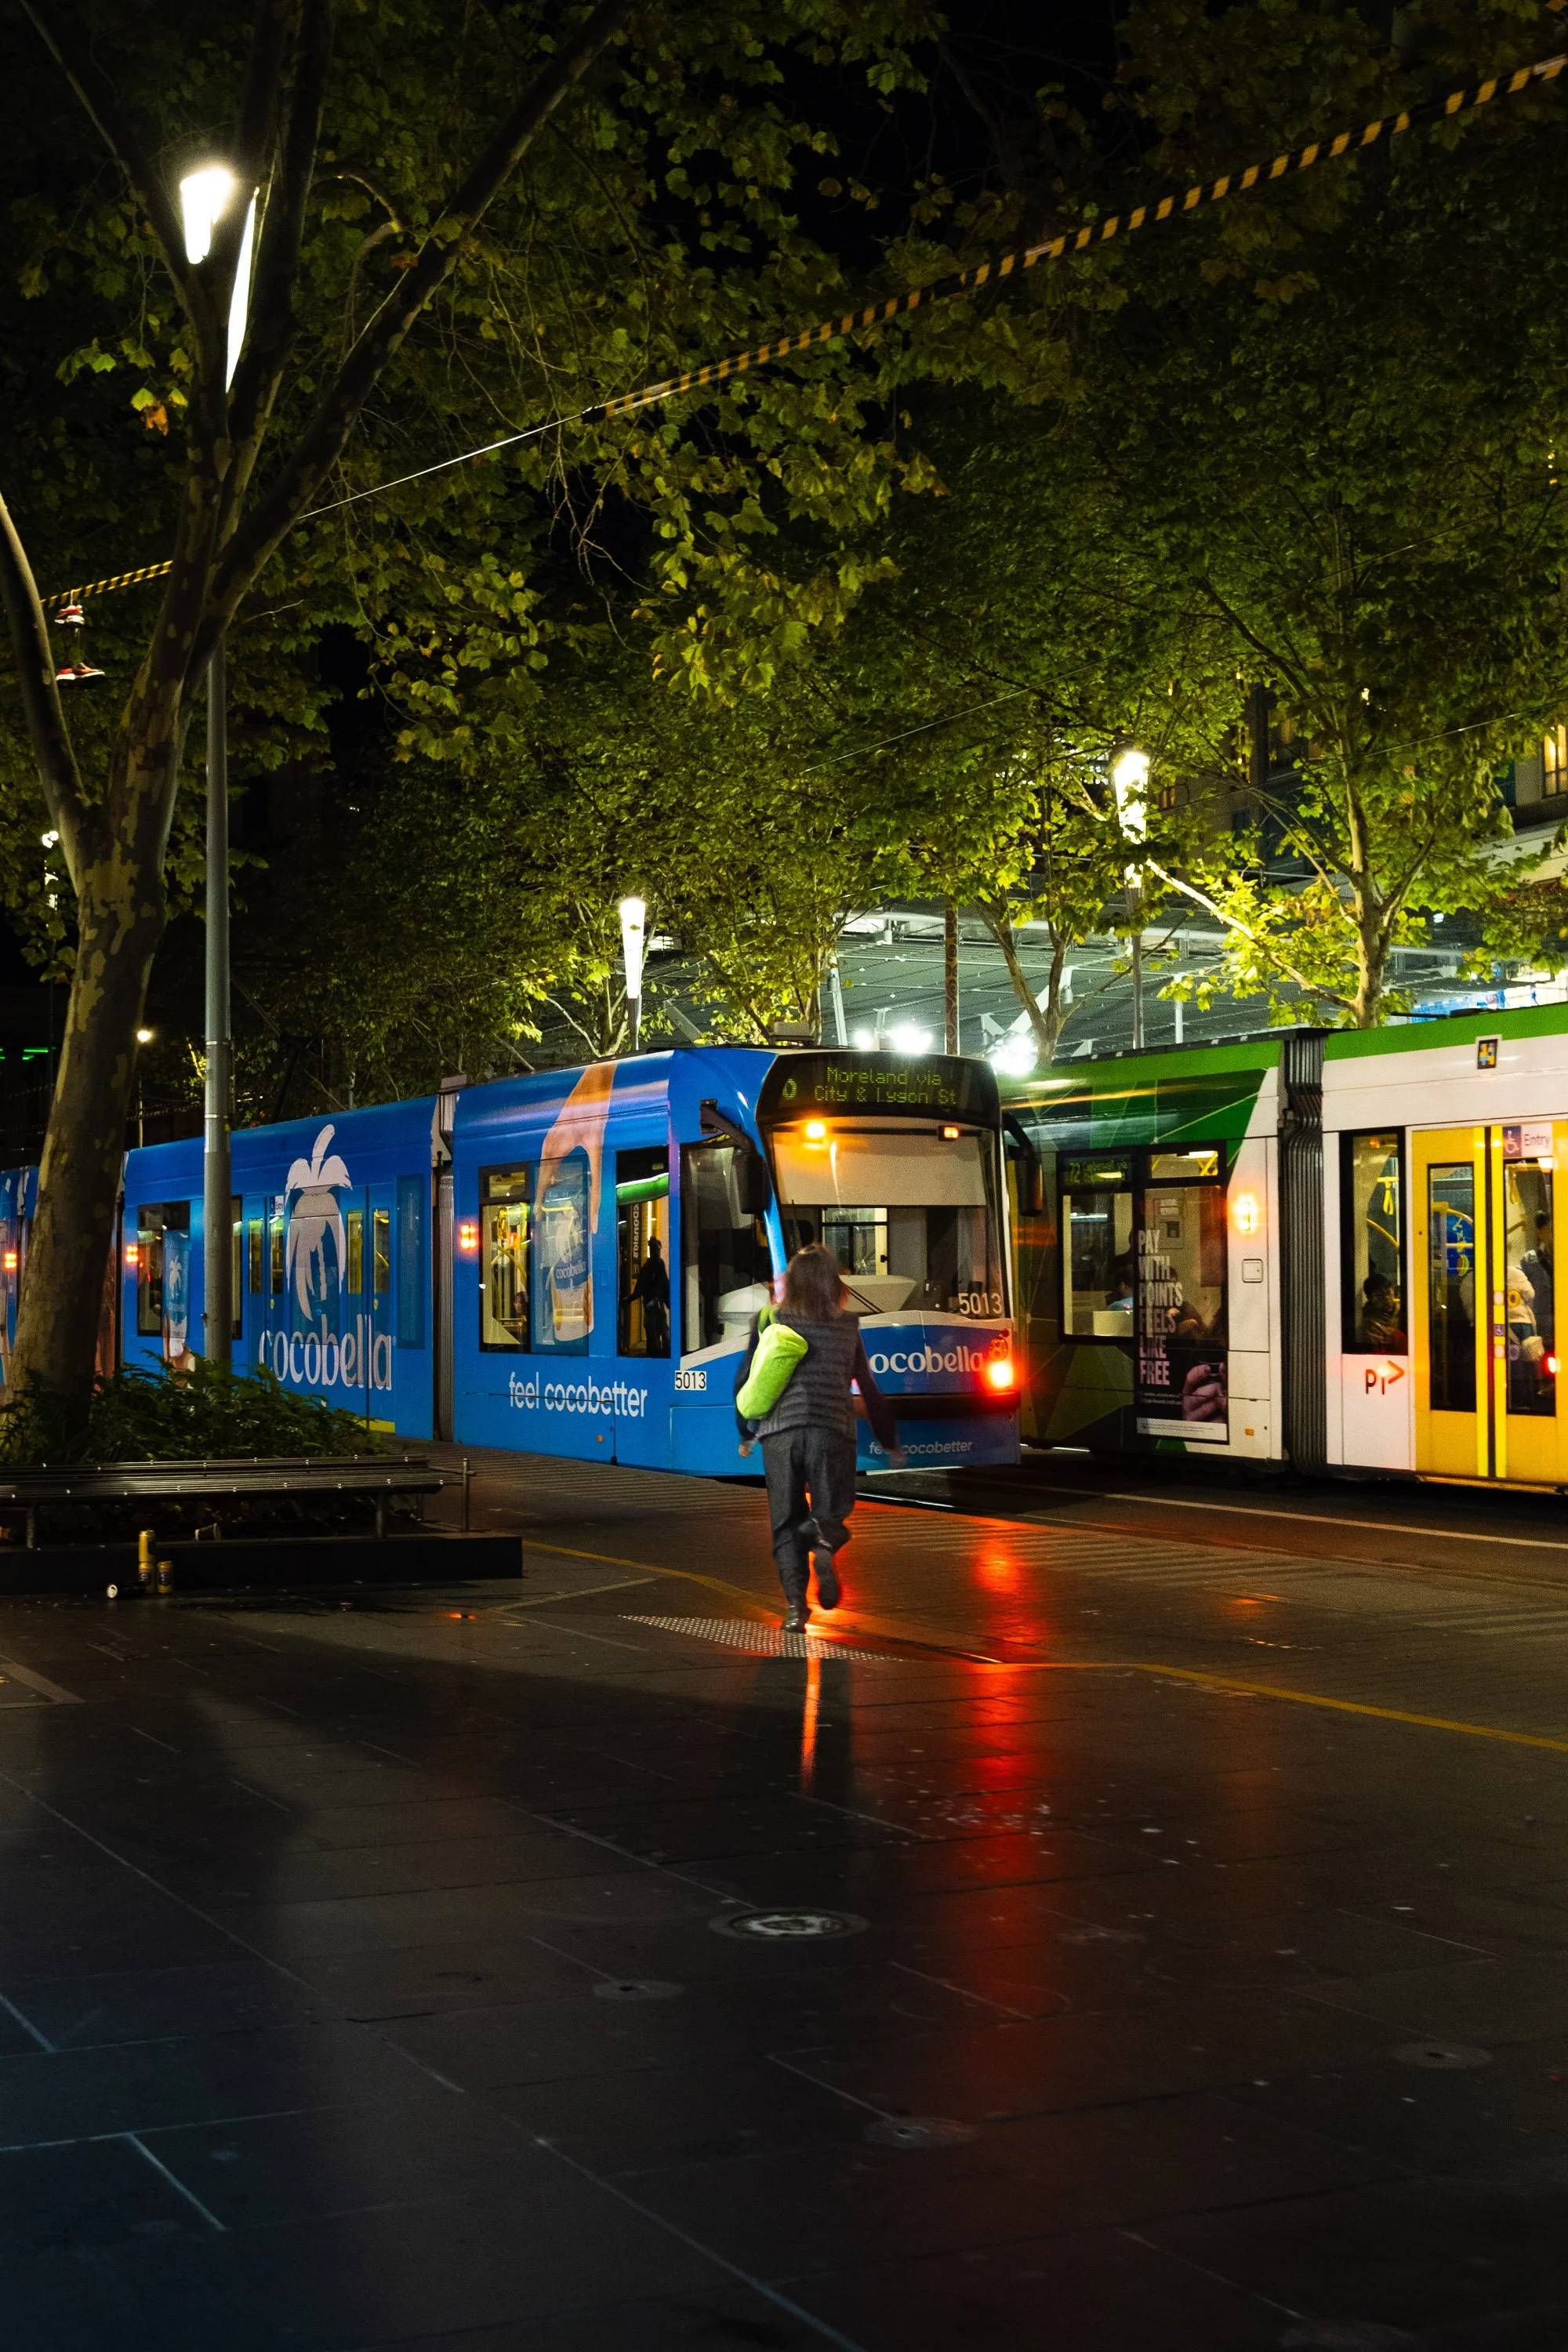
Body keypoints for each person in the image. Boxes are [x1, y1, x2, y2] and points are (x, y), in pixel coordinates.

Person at [735, 1243, 905, 1631]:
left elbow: (747, 1379)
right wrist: (889, 1440)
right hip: (833, 1432)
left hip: (781, 1435)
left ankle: (796, 1608)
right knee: (832, 1510)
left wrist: (746, 1433)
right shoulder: (848, 1325)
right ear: (834, 1284)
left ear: (790, 1282)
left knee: (784, 1522)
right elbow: (869, 1387)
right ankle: (823, 1539)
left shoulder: (771, 1320)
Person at [630, 1232, 670, 1356]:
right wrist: (669, 1303)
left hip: (650, 1307)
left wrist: (627, 1300)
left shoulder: (647, 1267)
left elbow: (639, 1290)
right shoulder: (658, 1264)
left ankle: (655, 1359)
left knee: (653, 1339)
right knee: (663, 1334)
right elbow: (665, 1284)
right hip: (657, 1306)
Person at [1521, 1210, 1555, 1356]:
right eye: (1548, 1230)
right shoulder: (1529, 1261)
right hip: (1540, 1328)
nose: (1552, 1235)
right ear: (1540, 1233)